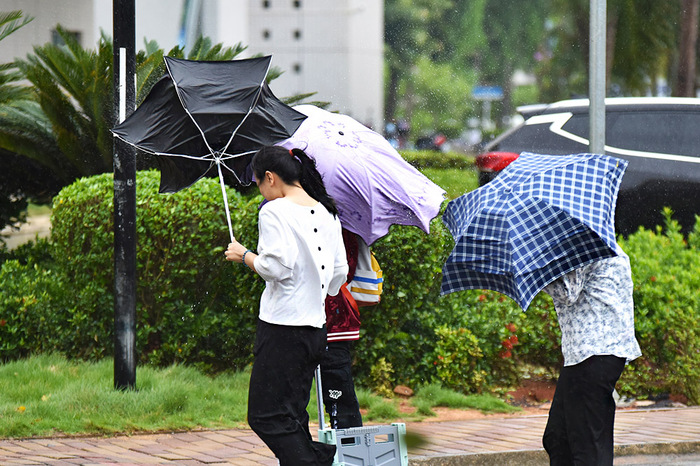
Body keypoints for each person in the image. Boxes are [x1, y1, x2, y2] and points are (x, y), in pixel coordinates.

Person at [225, 145, 348, 466]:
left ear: (270, 177)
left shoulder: (274, 211)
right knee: (292, 413)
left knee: (266, 416)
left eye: (258, 183)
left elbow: (275, 268)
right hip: (314, 331)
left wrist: (244, 255)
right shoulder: (326, 212)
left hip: (282, 329)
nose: (261, 191)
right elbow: (338, 276)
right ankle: (314, 458)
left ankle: (317, 460)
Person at [542, 246, 642, 466]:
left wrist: (536, 275)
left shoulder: (582, 244)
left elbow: (568, 291)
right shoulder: (601, 243)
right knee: (558, 437)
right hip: (590, 355)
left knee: (587, 448)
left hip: (594, 353)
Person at [320, 229, 363, 429]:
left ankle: (350, 453)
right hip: (301, 321)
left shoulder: (338, 224)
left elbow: (346, 269)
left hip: (334, 322)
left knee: (339, 398)